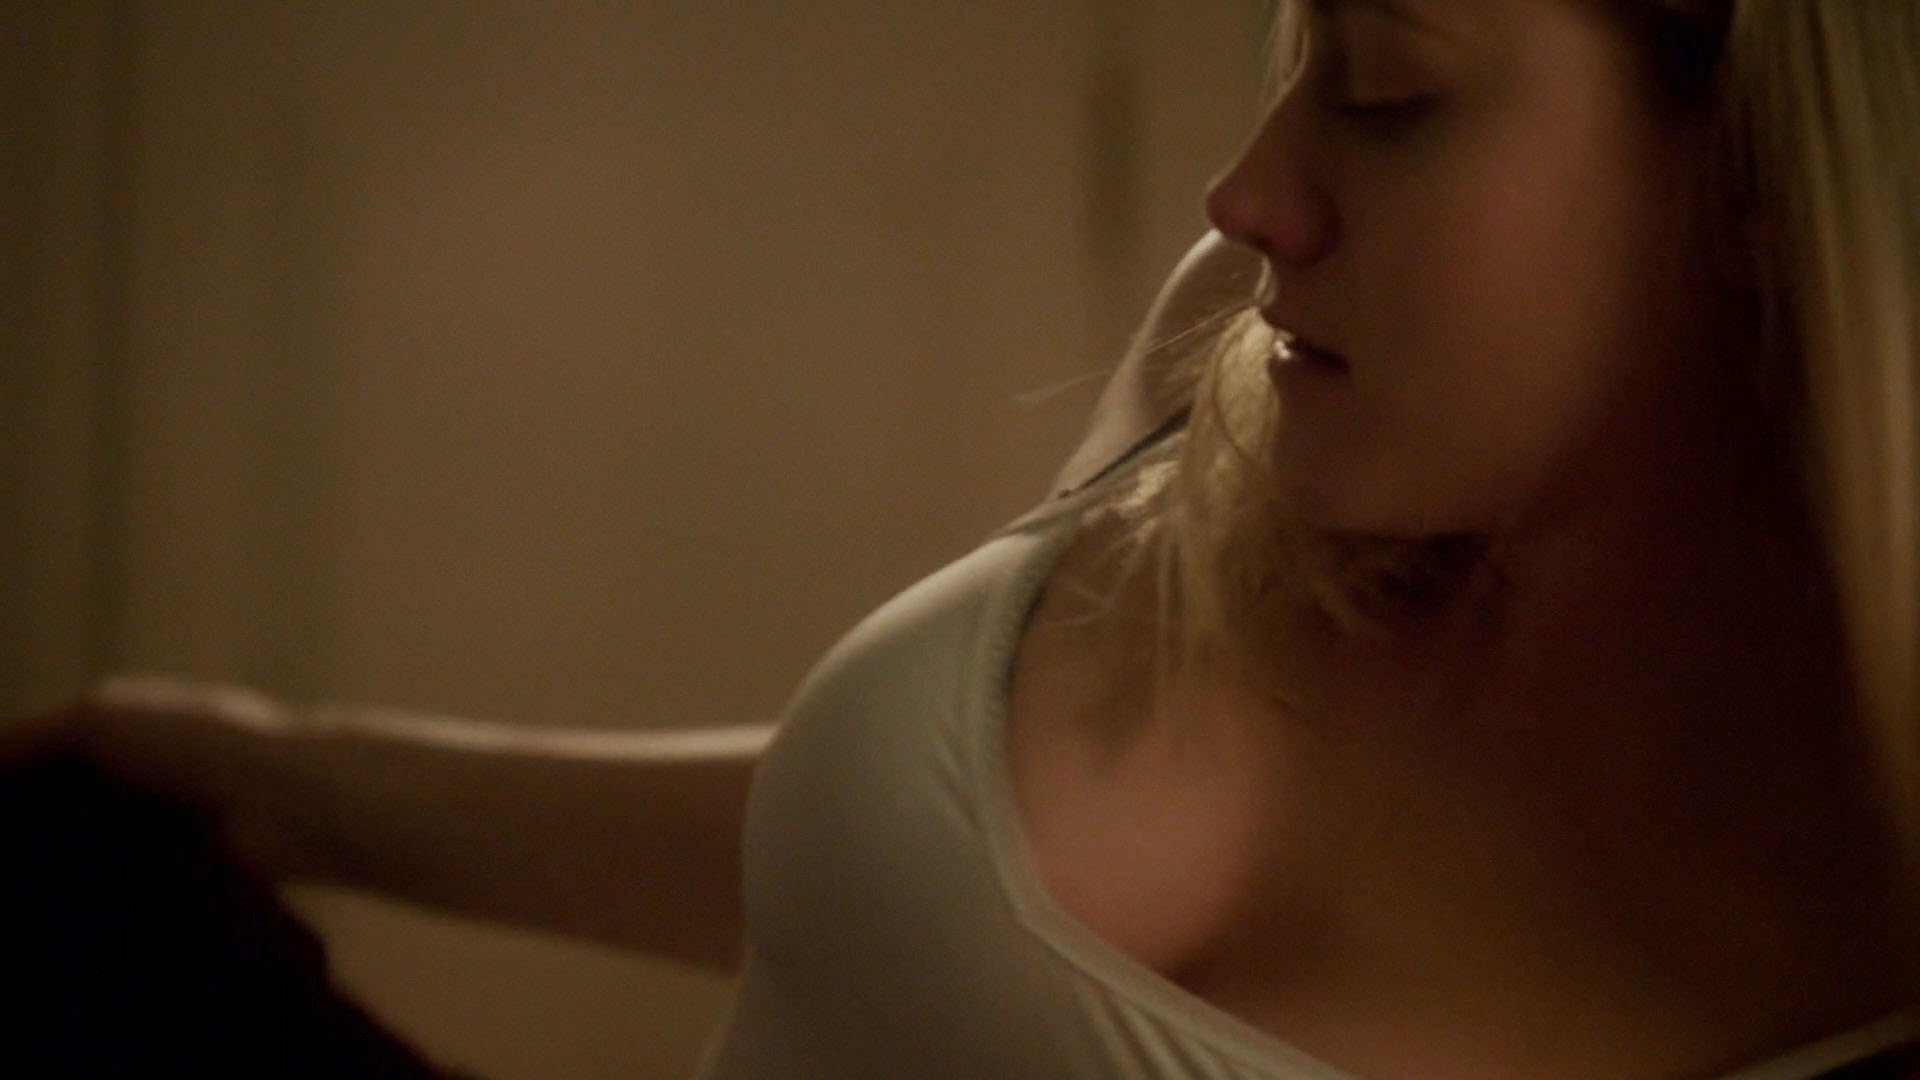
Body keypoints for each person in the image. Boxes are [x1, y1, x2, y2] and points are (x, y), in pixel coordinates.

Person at [8, 0, 1920, 1075]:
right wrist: (292, 789)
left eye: (1390, 91)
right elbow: (902, 891)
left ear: (1768, 188)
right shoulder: (1262, 363)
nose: (1251, 191)